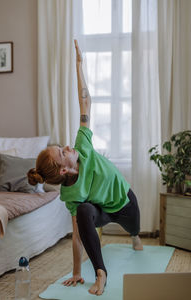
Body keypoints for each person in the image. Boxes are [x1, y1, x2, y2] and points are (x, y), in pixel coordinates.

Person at [27, 40, 143, 296]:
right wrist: (77, 271)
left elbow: (85, 103)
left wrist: (79, 65)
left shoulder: (83, 145)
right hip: (100, 210)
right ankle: (100, 273)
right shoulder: (70, 195)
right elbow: (78, 234)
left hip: (123, 202)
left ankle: (135, 236)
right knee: (83, 212)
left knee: (135, 228)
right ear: (63, 171)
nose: (68, 146)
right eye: (62, 151)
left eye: (63, 146)